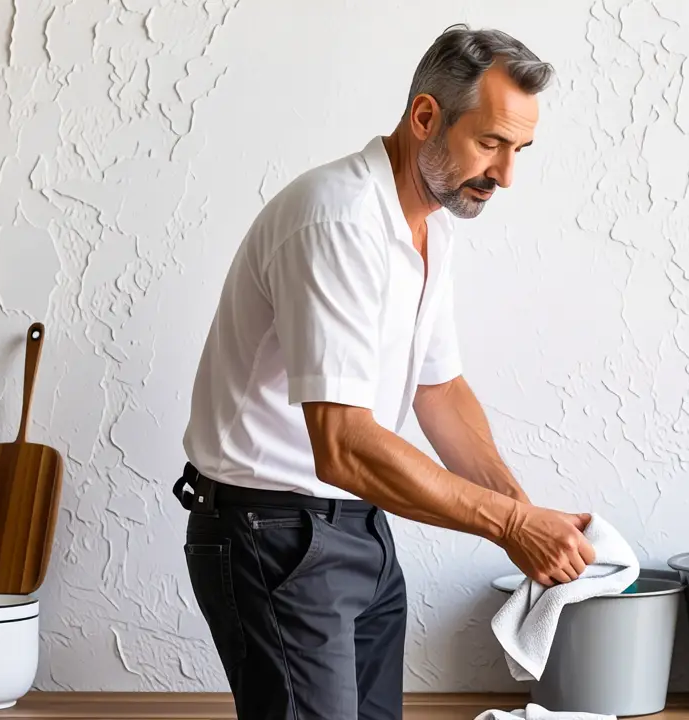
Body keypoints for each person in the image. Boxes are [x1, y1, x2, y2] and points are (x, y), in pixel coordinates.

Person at [173, 24, 596, 720]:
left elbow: (441, 391)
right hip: (273, 534)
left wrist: (528, 519)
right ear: (425, 115)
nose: (506, 174)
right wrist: (511, 523)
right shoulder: (337, 221)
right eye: (490, 143)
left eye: (519, 150)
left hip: (359, 528)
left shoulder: (430, 230)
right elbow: (340, 445)